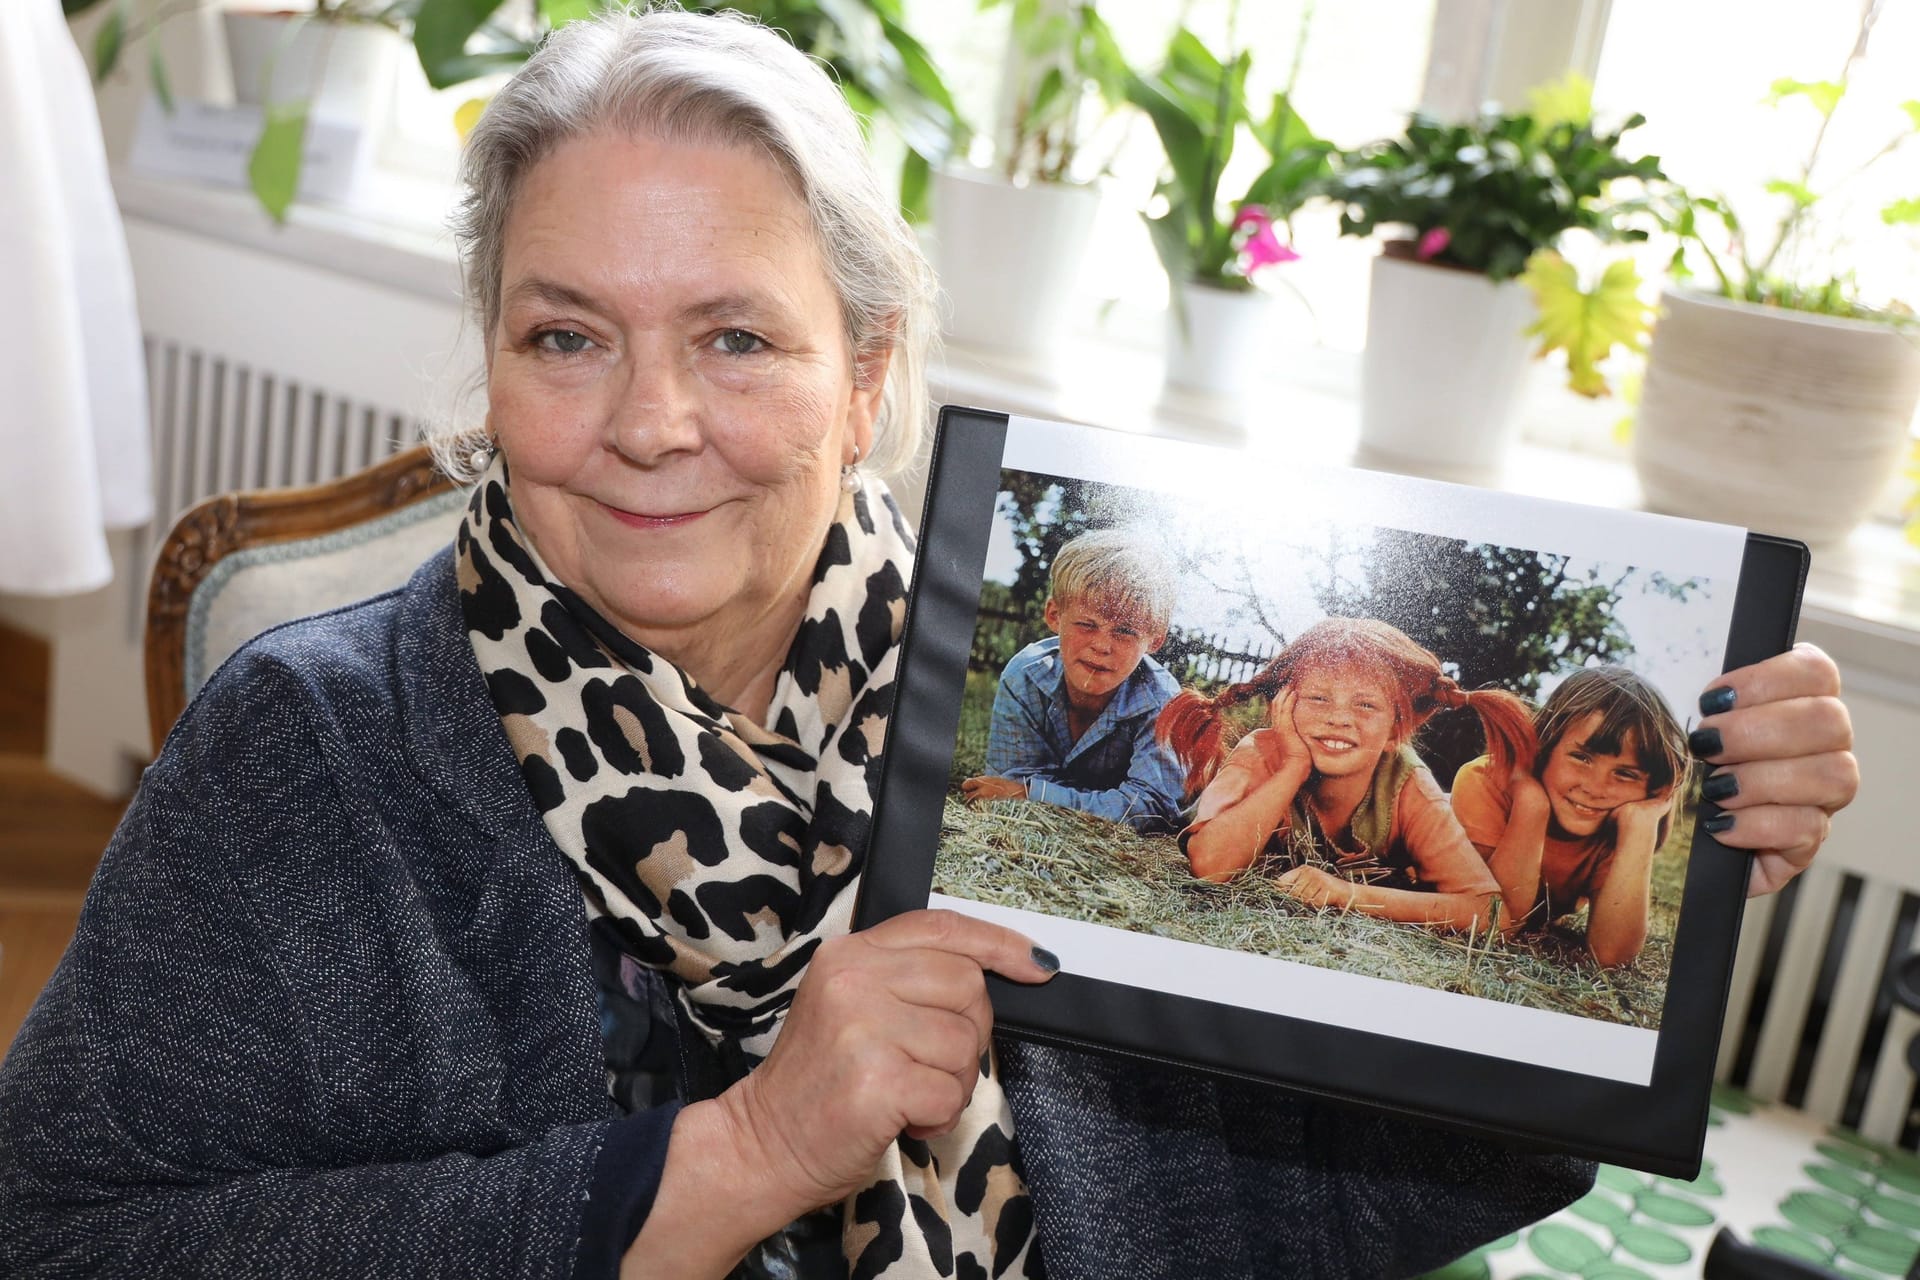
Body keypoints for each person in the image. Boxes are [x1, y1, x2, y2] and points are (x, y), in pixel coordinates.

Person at [0, 11, 1859, 1280]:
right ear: (492, 364)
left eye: (736, 338)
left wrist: (1674, 910)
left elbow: (1328, 1193)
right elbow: (68, 1235)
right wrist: (732, 1160)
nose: (650, 420)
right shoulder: (313, 752)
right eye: (568, 336)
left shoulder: (998, 737)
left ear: (868, 374)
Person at [1158, 617, 1536, 930]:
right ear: (1284, 706)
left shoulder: (1407, 784)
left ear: (1394, 729)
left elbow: (1491, 913)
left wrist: (1346, 894)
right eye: (1318, 698)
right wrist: (1293, 766)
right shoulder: (1264, 752)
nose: (1339, 718)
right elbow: (1210, 866)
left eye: (1366, 705)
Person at [1450, 665, 1694, 967]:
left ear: (1652, 789)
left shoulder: (1618, 826)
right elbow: (1498, 919)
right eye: (1582, 757)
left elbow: (1610, 956)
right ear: (1546, 745)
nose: (1595, 788)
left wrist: (1640, 829)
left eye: (1625, 774)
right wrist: (1531, 804)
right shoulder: (1485, 781)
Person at [960, 527, 1186, 833]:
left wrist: (1032, 794)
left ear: (1155, 639)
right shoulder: (1025, 676)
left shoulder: (1164, 702)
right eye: (1086, 624)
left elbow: (1151, 809)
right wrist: (1025, 792)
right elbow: (1008, 787)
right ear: (1054, 615)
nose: (1102, 646)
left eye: (1126, 632)